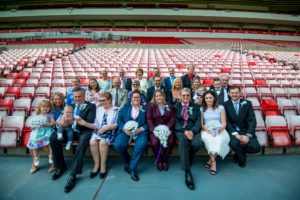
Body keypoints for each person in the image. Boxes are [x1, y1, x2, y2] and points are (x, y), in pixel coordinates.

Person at [50, 87, 96, 193]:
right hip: (69, 131)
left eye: (80, 96)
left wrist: (72, 123)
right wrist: (59, 123)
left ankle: (73, 174)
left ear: (84, 96)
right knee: (53, 138)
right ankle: (60, 167)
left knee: (83, 140)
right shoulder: (70, 106)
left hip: (84, 130)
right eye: (75, 97)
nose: (77, 99)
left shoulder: (91, 106)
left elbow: (89, 122)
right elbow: (61, 119)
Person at [79, 92, 119, 179]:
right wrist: (85, 123)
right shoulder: (98, 109)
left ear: (109, 100)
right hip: (98, 131)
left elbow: (117, 124)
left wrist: (107, 127)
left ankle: (103, 165)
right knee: (92, 142)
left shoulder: (116, 109)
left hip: (110, 131)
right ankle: (96, 164)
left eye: (104, 100)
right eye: (100, 100)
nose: (102, 102)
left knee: (103, 143)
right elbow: (96, 124)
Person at [114, 90, 148, 181]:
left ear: (141, 98)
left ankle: (132, 168)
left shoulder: (145, 108)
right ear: (131, 98)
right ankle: (127, 161)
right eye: (134, 97)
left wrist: (140, 129)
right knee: (118, 145)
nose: (136, 99)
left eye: (138, 97)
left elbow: (149, 122)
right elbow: (119, 120)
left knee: (141, 145)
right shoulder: (125, 107)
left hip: (140, 131)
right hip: (126, 131)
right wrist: (124, 129)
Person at [223, 86, 261, 168]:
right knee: (234, 143)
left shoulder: (247, 103)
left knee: (256, 148)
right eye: (232, 93)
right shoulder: (225, 105)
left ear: (240, 93)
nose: (234, 94)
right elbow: (226, 121)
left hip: (245, 130)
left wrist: (248, 135)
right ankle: (242, 158)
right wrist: (235, 134)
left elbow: (252, 120)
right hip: (232, 130)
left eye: (236, 93)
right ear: (229, 94)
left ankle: (239, 153)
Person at [174, 88, 202, 190]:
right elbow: (175, 122)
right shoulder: (175, 107)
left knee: (197, 143)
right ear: (180, 96)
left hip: (192, 129)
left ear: (190, 96)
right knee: (183, 141)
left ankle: (188, 158)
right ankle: (187, 172)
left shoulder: (195, 106)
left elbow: (198, 121)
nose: (186, 97)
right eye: (184, 95)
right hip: (180, 130)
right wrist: (184, 131)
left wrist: (192, 131)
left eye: (188, 95)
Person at [200, 91, 230, 175]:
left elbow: (224, 122)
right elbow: (202, 124)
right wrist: (208, 131)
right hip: (207, 130)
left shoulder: (220, 108)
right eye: (206, 98)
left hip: (220, 129)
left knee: (220, 140)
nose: (208, 100)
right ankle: (213, 162)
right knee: (210, 140)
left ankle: (210, 160)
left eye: (210, 97)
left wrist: (219, 130)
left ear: (214, 98)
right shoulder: (202, 109)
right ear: (204, 99)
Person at [146, 90, 175, 171]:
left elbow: (172, 119)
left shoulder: (169, 106)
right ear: (154, 98)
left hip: (167, 129)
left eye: (160, 95)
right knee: (155, 143)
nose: (159, 97)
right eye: (157, 96)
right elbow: (149, 119)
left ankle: (165, 159)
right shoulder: (151, 106)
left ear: (163, 96)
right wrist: (155, 130)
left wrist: (166, 129)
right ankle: (159, 159)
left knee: (170, 142)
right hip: (155, 129)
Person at [27, 100, 56, 174]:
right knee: (34, 142)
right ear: (40, 108)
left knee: (49, 142)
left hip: (46, 131)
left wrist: (45, 124)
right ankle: (36, 158)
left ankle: (51, 155)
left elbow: (53, 123)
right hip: (38, 132)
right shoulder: (36, 115)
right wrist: (33, 126)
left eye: (47, 107)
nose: (45, 108)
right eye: (43, 107)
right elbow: (32, 125)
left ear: (50, 108)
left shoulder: (50, 115)